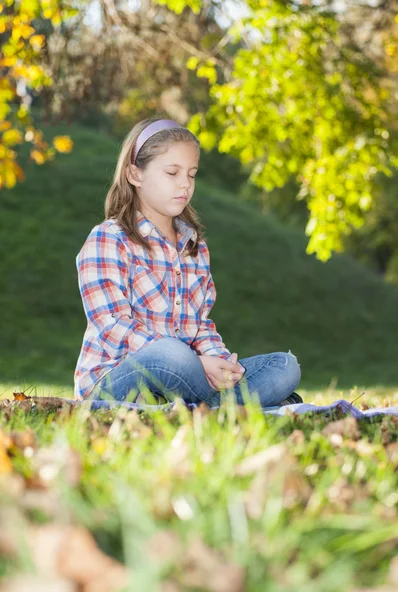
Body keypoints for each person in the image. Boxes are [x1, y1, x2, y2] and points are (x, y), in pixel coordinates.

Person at [73, 117, 302, 410]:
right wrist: (195, 362)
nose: (185, 184)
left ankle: (199, 403)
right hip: (115, 380)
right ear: (135, 174)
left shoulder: (194, 248)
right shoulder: (108, 238)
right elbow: (112, 326)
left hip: (187, 374)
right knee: (172, 355)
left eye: (191, 175)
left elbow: (200, 325)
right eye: (172, 172)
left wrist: (219, 362)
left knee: (285, 366)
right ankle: (248, 402)